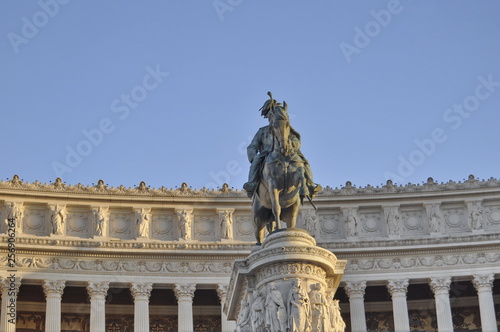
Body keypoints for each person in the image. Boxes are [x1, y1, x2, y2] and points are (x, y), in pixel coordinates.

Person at [244, 93, 321, 199]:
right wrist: (254, 157)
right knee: (257, 161)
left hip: (289, 151)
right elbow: (252, 147)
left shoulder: (287, 129)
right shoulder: (262, 131)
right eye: (270, 115)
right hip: (267, 154)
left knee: (304, 163)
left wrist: (293, 145)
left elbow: (296, 140)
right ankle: (251, 184)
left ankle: (310, 185)